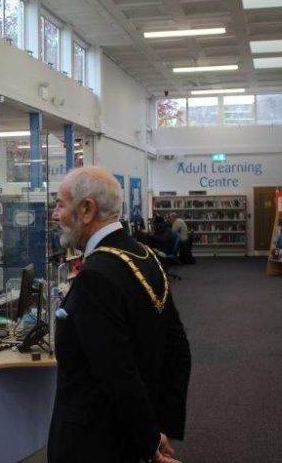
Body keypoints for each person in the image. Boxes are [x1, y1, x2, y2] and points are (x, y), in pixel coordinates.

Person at [48, 166, 191, 463]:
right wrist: (158, 428)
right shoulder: (145, 255)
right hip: (131, 434)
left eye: (60, 204)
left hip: (95, 442)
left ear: (87, 209)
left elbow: (117, 374)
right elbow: (178, 350)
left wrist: (149, 440)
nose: (55, 215)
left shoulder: (96, 276)